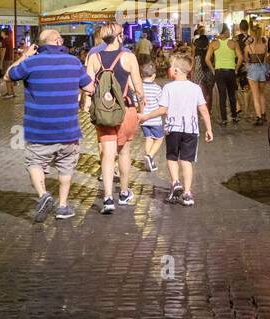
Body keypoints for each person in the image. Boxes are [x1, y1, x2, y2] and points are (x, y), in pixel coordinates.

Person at [7, 28, 94, 223]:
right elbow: (90, 87)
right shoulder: (74, 62)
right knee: (65, 168)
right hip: (68, 130)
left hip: (39, 131)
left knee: (34, 163)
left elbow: (8, 75)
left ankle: (43, 195)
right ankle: (63, 206)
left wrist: (24, 55)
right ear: (58, 41)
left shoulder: (30, 63)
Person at [83, 22, 144, 214]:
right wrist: (141, 107)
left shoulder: (94, 58)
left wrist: (89, 102)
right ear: (119, 37)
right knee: (124, 152)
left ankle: (108, 198)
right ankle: (124, 193)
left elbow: (88, 86)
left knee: (107, 156)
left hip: (104, 112)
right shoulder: (128, 57)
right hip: (126, 110)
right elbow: (138, 86)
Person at [138, 54, 213, 206]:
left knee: (172, 157)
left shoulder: (168, 87)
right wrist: (209, 129)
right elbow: (203, 110)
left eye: (171, 68)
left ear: (177, 70)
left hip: (173, 128)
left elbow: (162, 110)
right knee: (186, 161)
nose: (169, 70)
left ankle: (176, 182)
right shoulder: (195, 88)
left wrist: (145, 117)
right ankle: (187, 193)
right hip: (190, 130)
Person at [206, 26, 242, 124]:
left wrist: (213, 70)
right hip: (230, 71)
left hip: (219, 72)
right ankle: (234, 117)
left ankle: (224, 119)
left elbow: (207, 59)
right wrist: (236, 69)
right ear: (225, 31)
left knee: (222, 96)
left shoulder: (213, 44)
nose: (230, 32)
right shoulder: (233, 43)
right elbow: (240, 57)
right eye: (229, 31)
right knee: (232, 95)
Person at [139, 60, 165, 173]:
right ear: (154, 75)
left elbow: (137, 102)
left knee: (148, 138)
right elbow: (162, 104)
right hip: (154, 119)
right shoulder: (157, 88)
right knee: (159, 139)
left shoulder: (139, 88)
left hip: (143, 119)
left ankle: (150, 161)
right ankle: (149, 156)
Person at [244, 29, 270, 125]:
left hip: (252, 71)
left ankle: (259, 117)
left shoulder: (248, 47)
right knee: (261, 94)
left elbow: (246, 59)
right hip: (262, 70)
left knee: (255, 96)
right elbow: (266, 59)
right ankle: (264, 115)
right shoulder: (264, 46)